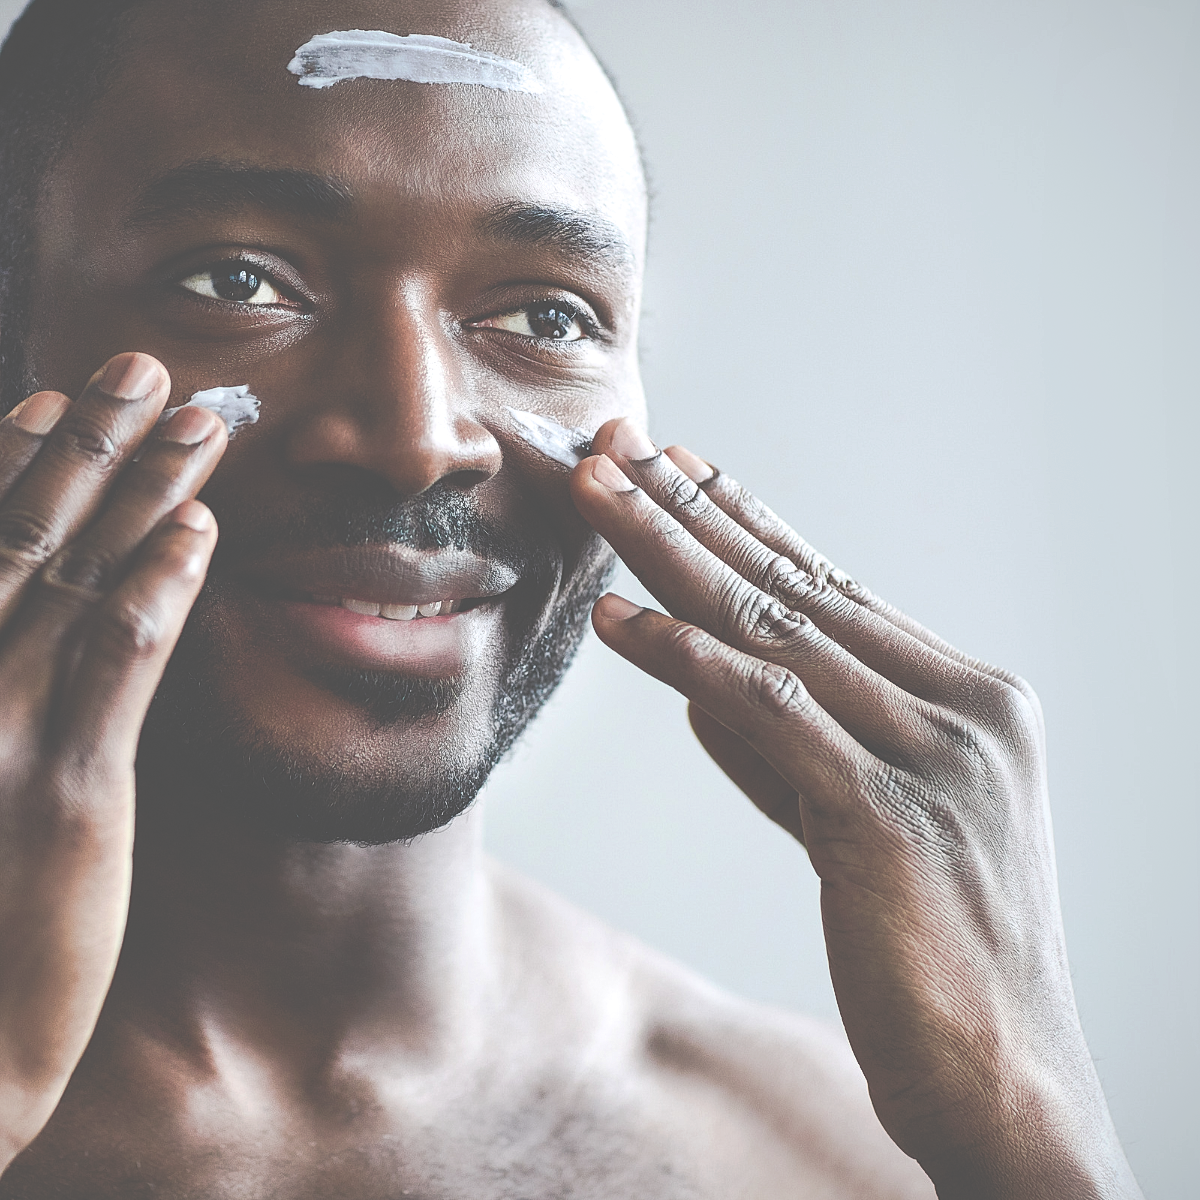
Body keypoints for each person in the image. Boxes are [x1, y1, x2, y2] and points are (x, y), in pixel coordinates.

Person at [0, 0, 1144, 1194]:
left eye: (546, 315)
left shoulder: (854, 1162)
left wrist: (1033, 1125)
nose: (418, 439)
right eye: (237, 279)